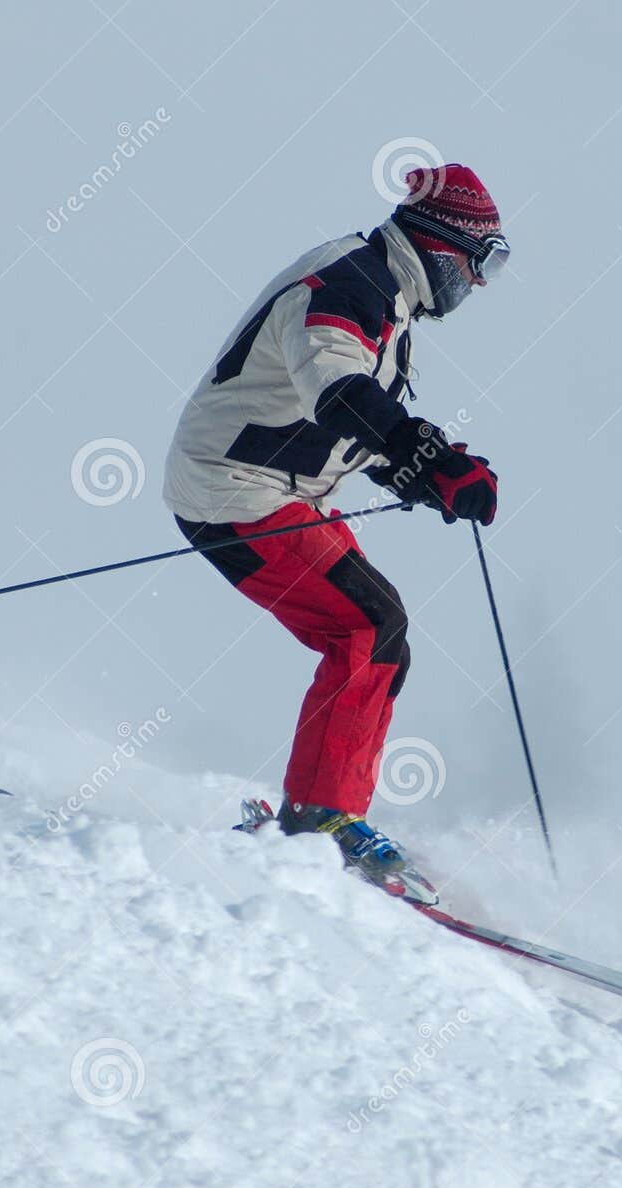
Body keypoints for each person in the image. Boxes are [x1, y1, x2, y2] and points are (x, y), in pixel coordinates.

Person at [162, 163, 507, 886]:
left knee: (383, 635)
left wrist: (417, 470)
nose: (478, 286)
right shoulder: (351, 285)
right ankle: (319, 818)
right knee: (366, 625)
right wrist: (425, 454)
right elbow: (341, 393)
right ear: (445, 246)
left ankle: (322, 811)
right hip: (235, 489)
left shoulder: (386, 295)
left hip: (272, 487)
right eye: (482, 264)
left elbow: (349, 420)